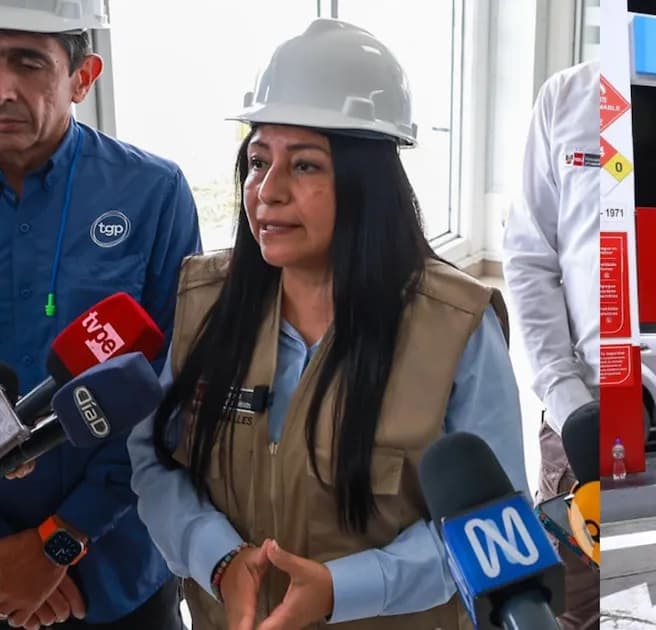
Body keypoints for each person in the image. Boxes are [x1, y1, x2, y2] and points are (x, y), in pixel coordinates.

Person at [126, 19, 524, 630]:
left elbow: (498, 526)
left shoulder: (456, 329)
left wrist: (347, 589)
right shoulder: (206, 304)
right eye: (258, 162)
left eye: (305, 166)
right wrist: (219, 560)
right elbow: (155, 461)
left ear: (368, 184)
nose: (268, 191)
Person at [0, 1, 201, 628]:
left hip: (118, 565)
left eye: (27, 62)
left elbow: (175, 393)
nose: (2, 88)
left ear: (83, 77)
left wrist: (59, 539)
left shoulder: (154, 194)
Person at [502, 59, 600, 630]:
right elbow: (530, 258)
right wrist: (567, 401)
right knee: (571, 608)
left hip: (648, 419)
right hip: (578, 419)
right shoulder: (568, 97)